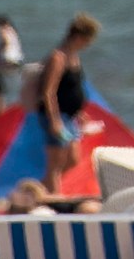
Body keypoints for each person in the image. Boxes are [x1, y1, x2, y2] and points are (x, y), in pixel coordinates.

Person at [39, 14, 100, 192]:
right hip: (57, 116)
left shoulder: (74, 57)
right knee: (55, 162)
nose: (87, 45)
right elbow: (48, 91)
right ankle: (55, 199)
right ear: (78, 37)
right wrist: (54, 121)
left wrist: (79, 112)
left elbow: (70, 88)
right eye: (87, 41)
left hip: (70, 116)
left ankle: (40, 189)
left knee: (72, 159)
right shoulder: (58, 57)